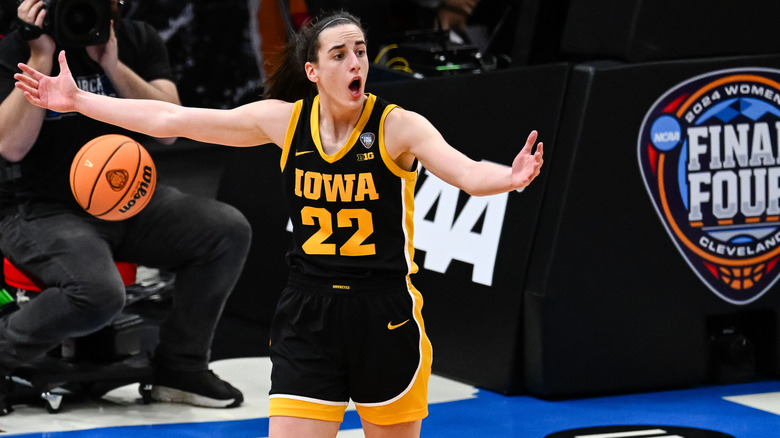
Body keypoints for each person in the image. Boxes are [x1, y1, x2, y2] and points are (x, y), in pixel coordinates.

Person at [14, 10, 543, 437]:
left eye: (359, 50)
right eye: (340, 54)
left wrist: (510, 178)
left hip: (383, 312)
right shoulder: (284, 121)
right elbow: (172, 119)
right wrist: (80, 100)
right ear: (313, 72)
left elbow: (469, 173)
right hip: (307, 310)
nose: (355, 61)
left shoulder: (398, 126)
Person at [0, 0, 251, 415]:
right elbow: (11, 146)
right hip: (40, 208)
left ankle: (180, 368)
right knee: (96, 293)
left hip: (127, 200)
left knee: (225, 230)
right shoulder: (19, 47)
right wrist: (41, 57)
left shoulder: (137, 39)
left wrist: (113, 66)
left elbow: (171, 128)